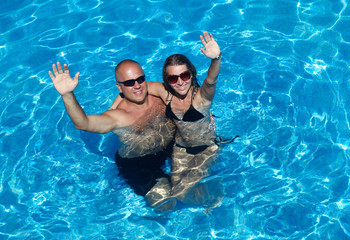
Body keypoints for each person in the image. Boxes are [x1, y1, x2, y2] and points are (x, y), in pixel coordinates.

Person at [111, 31, 223, 208]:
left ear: (191, 74)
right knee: (175, 195)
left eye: (184, 75)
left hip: (205, 149)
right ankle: (203, 191)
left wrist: (216, 58)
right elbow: (135, 86)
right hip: (180, 149)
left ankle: (215, 192)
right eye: (173, 78)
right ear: (167, 80)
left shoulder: (201, 97)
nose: (180, 82)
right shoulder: (166, 94)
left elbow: (211, 80)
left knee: (181, 193)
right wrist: (113, 107)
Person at [49, 60, 176, 211]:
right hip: (139, 163)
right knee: (165, 205)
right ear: (119, 87)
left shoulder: (159, 94)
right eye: (129, 82)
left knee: (196, 186)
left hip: (170, 145)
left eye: (140, 79)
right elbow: (83, 123)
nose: (137, 85)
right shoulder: (118, 116)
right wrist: (67, 94)